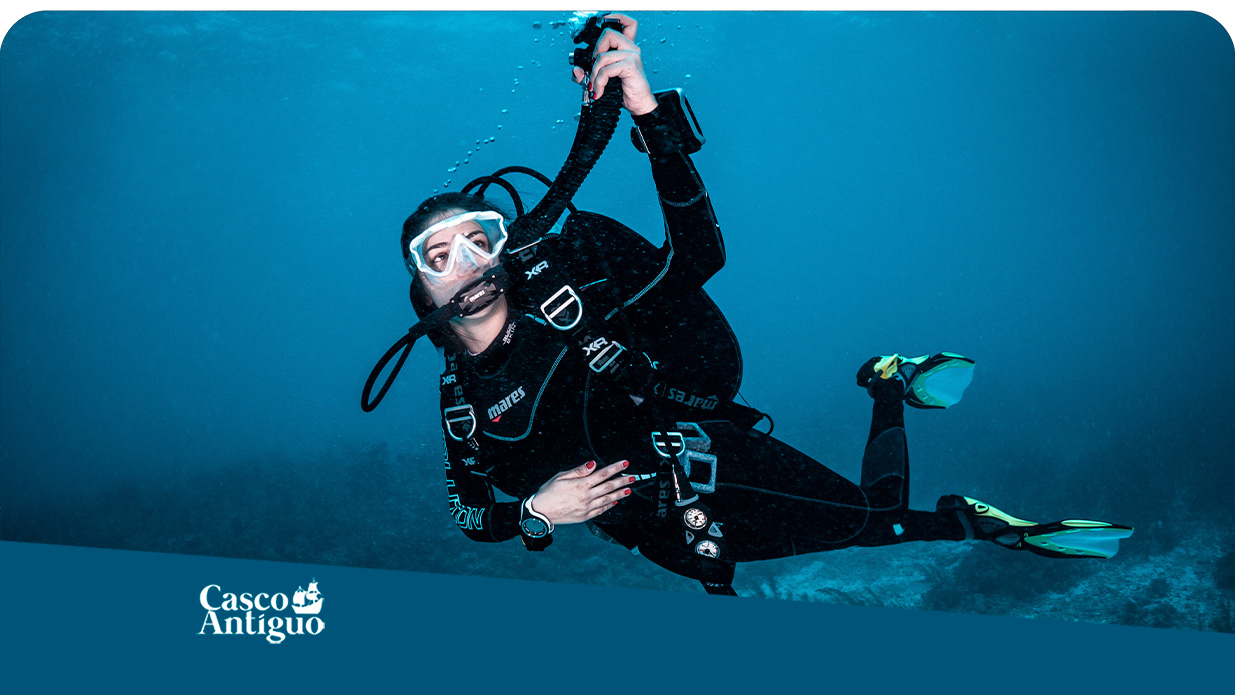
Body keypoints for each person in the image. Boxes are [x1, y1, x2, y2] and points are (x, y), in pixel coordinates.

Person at [393, 14, 1132, 594]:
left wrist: (647, 113)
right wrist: (535, 514)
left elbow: (697, 259)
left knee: (875, 522)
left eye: (480, 239)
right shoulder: (459, 398)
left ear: (506, 247)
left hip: (713, 463)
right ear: (422, 291)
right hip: (655, 535)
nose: (466, 263)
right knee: (852, 530)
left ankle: (907, 418)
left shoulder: (569, 290)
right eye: (438, 256)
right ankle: (914, 434)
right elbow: (470, 513)